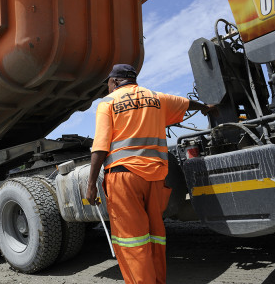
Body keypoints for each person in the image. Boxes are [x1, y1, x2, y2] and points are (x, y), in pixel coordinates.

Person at [85, 64, 217, 284]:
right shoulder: (157, 98)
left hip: (124, 178)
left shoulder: (107, 103)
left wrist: (90, 183)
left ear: (116, 81)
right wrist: (205, 108)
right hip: (156, 178)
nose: (107, 87)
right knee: (155, 234)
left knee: (131, 240)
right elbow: (185, 103)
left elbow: (100, 146)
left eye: (108, 83)